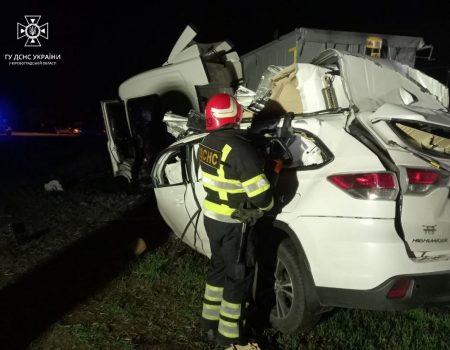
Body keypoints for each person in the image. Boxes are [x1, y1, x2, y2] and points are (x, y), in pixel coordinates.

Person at [198, 93, 273, 349]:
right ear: (234, 115)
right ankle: (230, 336)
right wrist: (269, 203)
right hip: (235, 223)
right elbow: (261, 196)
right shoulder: (241, 150)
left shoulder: (206, 142)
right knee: (238, 276)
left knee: (218, 268)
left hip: (213, 218)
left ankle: (208, 324)